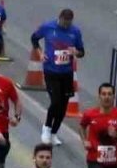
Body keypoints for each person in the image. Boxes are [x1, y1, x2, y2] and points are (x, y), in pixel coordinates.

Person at [32, 8, 86, 145]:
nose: (66, 25)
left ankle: (54, 133)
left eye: (68, 23)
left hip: (67, 72)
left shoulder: (75, 32)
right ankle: (46, 128)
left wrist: (76, 52)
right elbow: (34, 38)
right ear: (59, 18)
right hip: (51, 70)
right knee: (55, 101)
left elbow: (82, 52)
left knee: (63, 106)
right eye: (64, 22)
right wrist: (39, 52)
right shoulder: (48, 27)